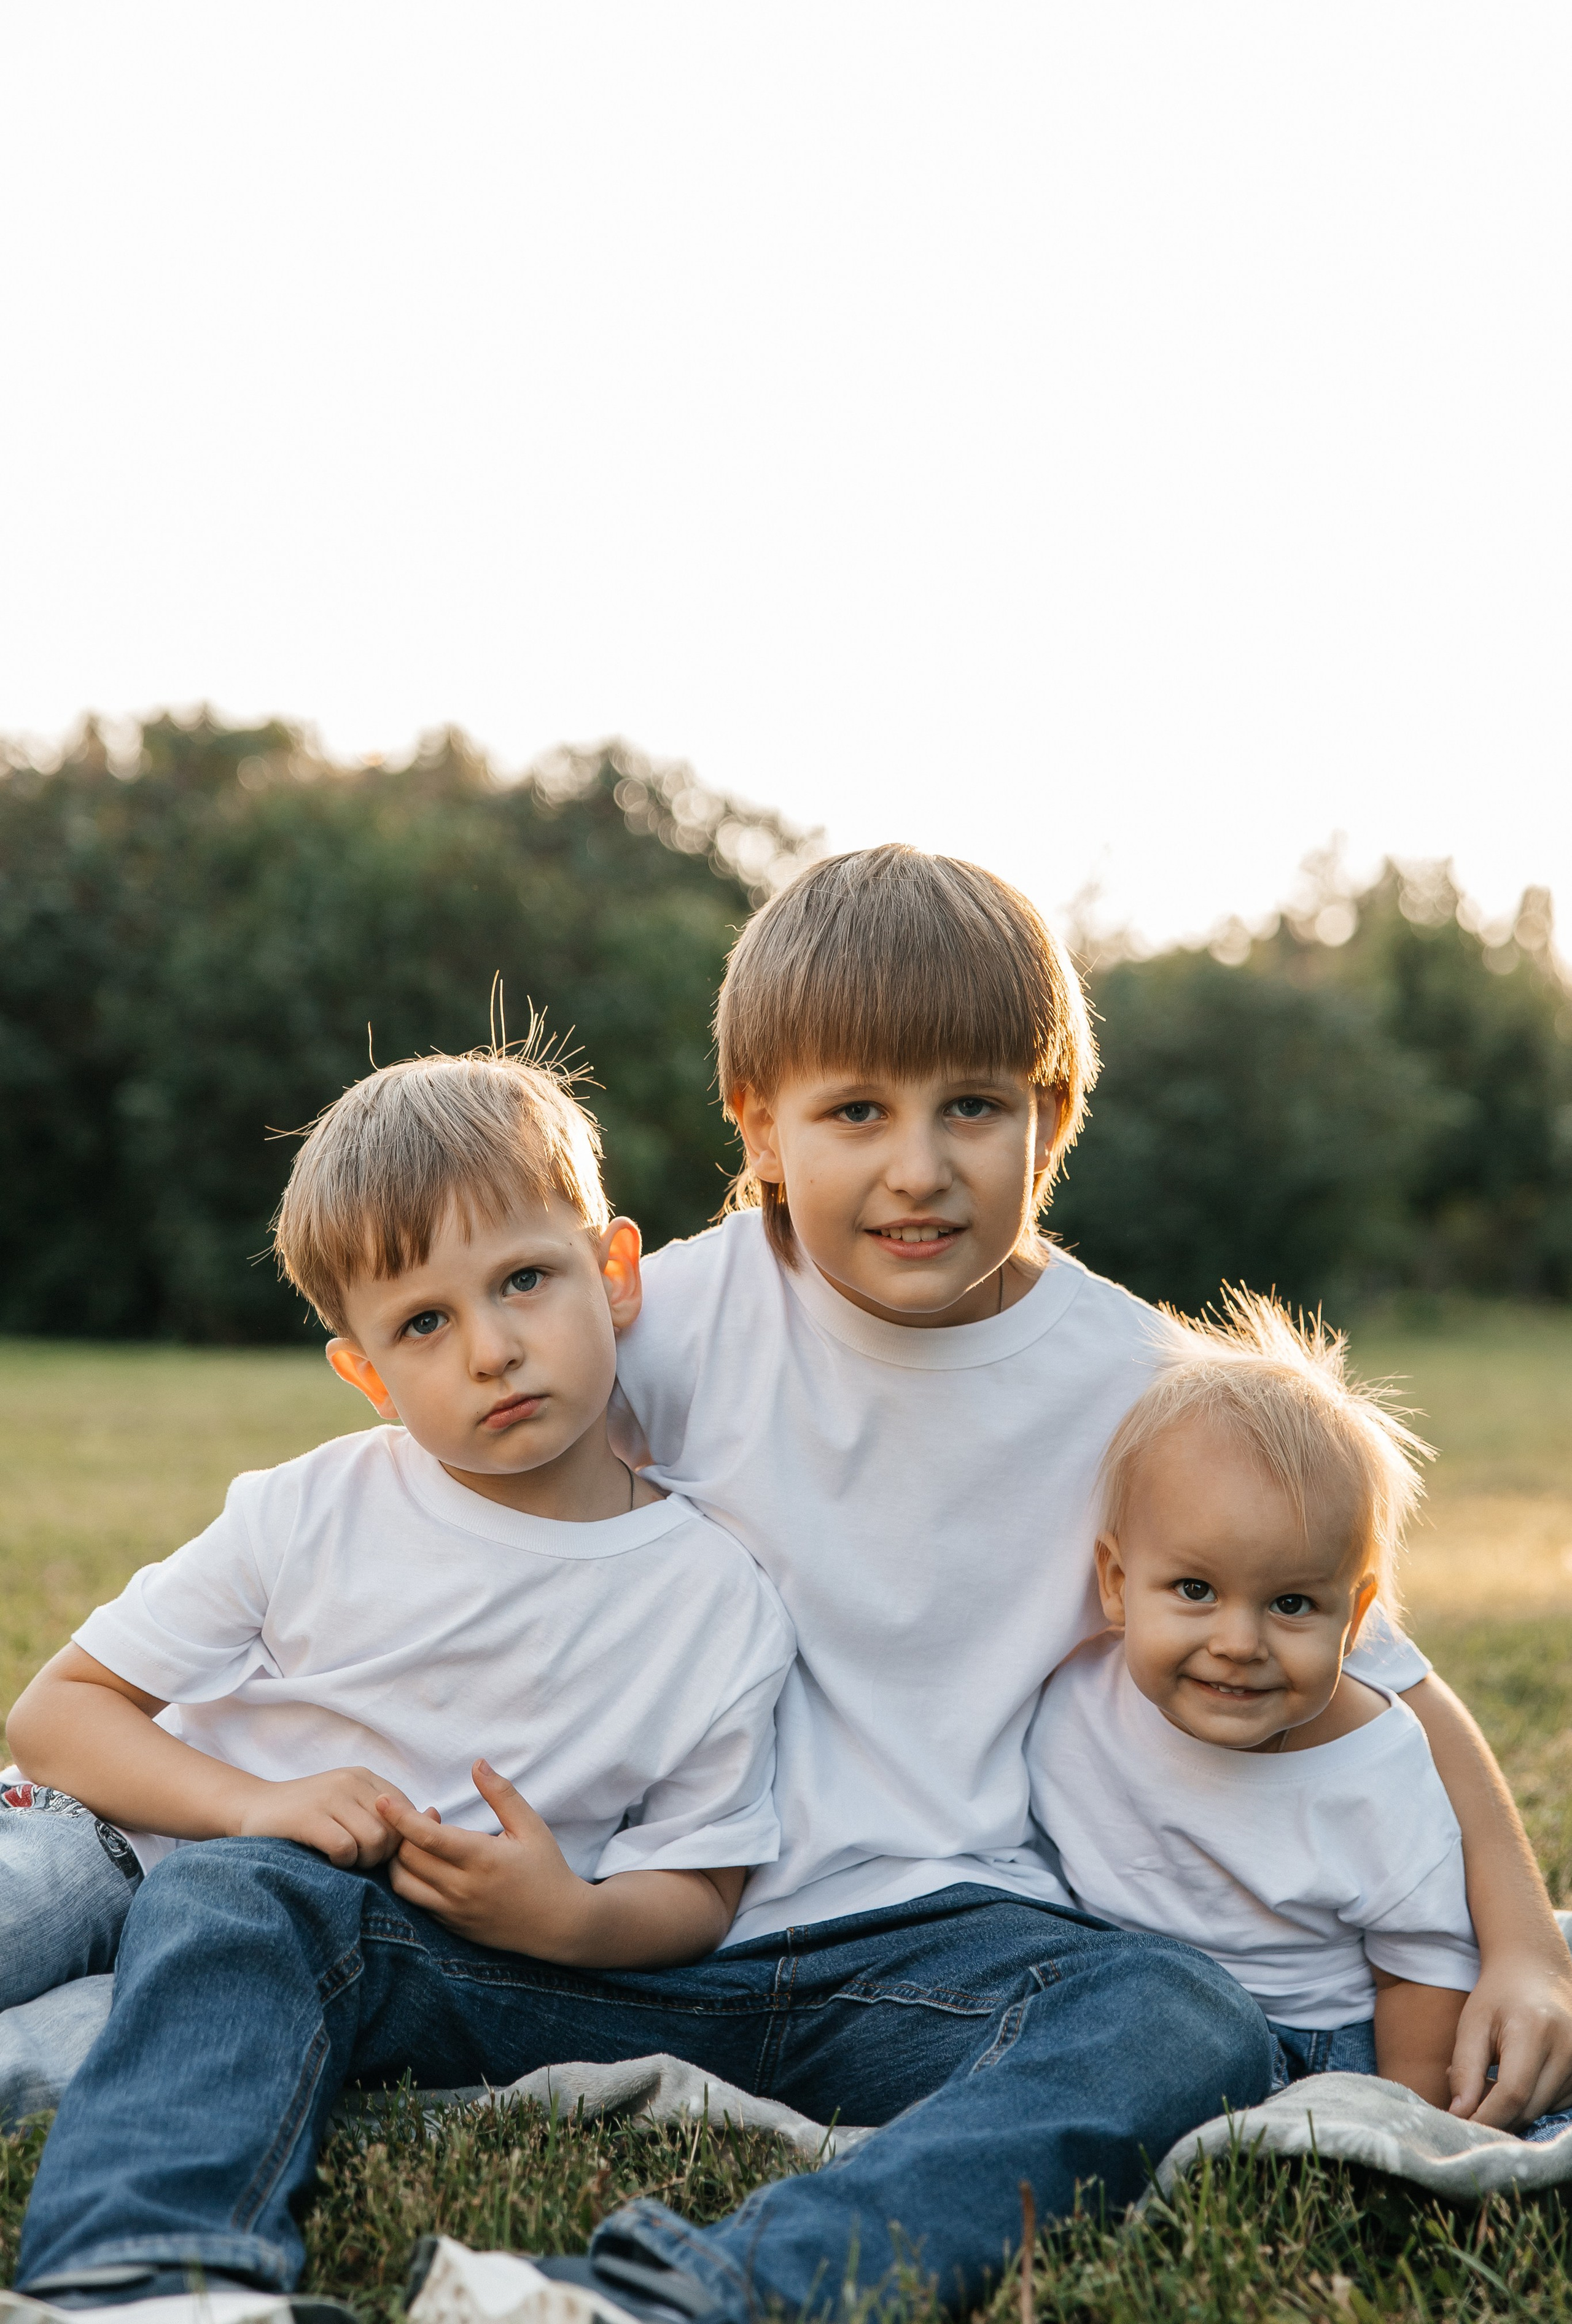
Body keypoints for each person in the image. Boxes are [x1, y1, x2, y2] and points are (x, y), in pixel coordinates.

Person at [14, 850, 1572, 2324]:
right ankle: (146, 2270)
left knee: (1176, 2020)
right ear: (759, 1129)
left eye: (972, 1105)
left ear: (1051, 1112)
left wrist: (1513, 1945)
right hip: (601, 1914)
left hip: (921, 1946)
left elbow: (1383, 1674)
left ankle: (686, 2296)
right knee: (252, 1895)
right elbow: (428, 1474)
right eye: (853, 1112)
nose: (917, 1168)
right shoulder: (658, 1315)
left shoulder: (1141, 1387)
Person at [7, 1052, 793, 2314]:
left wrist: (571, 1920)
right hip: (101, 1836)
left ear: (614, 1272)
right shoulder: (318, 1506)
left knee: (71, 2063)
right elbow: (56, 1719)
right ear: (366, 1372)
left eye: (524, 1280)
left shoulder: (711, 1598)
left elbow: (702, 1882)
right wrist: (259, 1806)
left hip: (301, 1966)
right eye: (424, 1323)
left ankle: (150, 2288)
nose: (491, 1349)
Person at [1028, 1285, 1490, 2108]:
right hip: (1131, 2017)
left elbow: (1422, 1966)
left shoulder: (1376, 1765)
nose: (1239, 1643)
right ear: (1116, 1583)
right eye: (1196, 1589)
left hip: (1330, 2040)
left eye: (1290, 1605)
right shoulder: (1073, 1706)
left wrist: (1404, 2113)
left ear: (1355, 1622)